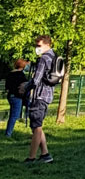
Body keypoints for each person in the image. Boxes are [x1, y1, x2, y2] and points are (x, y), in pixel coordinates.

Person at [25, 35, 56, 163]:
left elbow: (36, 80)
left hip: (39, 95)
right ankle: (45, 154)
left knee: (36, 126)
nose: (36, 48)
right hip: (48, 95)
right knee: (37, 125)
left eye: (39, 46)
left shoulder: (44, 58)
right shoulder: (54, 56)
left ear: (47, 45)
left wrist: (25, 87)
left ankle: (31, 158)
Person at [5, 58, 29, 139]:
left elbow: (7, 87)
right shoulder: (20, 75)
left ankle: (8, 132)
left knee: (13, 114)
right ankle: (8, 134)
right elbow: (25, 85)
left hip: (10, 96)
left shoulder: (10, 74)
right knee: (14, 115)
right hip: (17, 96)